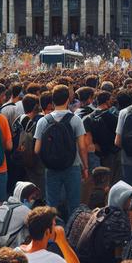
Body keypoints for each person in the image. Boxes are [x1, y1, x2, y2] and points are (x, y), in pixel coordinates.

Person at [35, 85, 89, 220]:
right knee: (74, 204)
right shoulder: (75, 120)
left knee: (51, 204)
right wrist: (86, 166)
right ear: (68, 100)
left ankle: (51, 232)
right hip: (73, 165)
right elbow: (82, 147)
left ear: (52, 101)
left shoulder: (43, 121)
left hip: (51, 168)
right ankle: (72, 233)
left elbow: (36, 149)